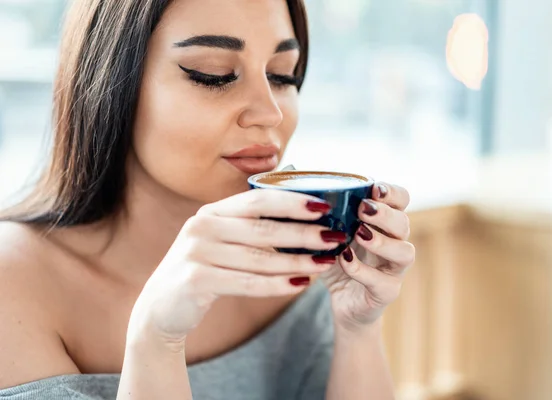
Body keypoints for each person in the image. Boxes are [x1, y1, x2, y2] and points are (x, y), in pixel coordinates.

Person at [0, 0, 415, 399]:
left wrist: (358, 329)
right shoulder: (12, 286)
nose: (269, 112)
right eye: (212, 74)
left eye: (282, 75)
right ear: (109, 83)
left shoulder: (302, 260)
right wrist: (155, 341)